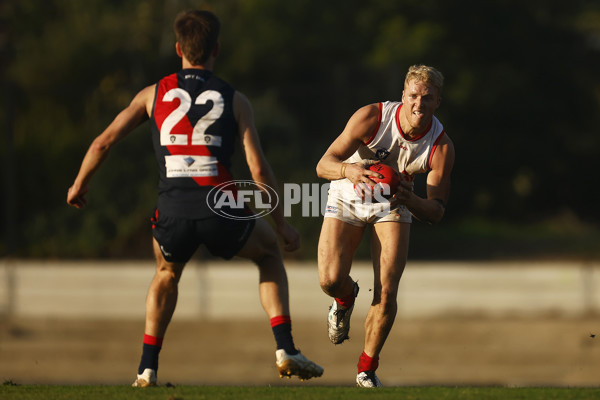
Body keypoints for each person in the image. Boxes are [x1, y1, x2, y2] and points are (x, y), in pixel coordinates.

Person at [67, 9, 323, 386]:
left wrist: (79, 183)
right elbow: (258, 169)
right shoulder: (235, 100)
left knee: (166, 274)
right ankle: (285, 348)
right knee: (269, 253)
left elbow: (103, 141)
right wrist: (281, 225)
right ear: (216, 48)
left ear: (177, 48)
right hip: (221, 208)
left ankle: (146, 369)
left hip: (172, 210)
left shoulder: (152, 94)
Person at [315, 64, 455, 388]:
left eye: (428, 98)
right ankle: (345, 297)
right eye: (414, 96)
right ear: (403, 96)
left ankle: (366, 369)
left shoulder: (441, 146)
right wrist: (350, 172)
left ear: (438, 102)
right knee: (330, 279)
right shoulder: (372, 117)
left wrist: (411, 199)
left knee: (388, 291)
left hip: (396, 202)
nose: (419, 104)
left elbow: (436, 211)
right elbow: (323, 165)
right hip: (350, 190)